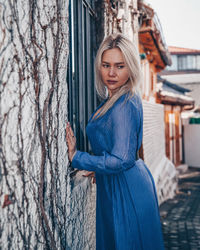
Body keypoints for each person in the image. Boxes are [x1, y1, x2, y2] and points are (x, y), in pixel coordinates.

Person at [66, 33, 165, 250]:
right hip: (121, 182)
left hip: (125, 187)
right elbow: (120, 151)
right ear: (98, 66)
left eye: (120, 66)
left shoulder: (124, 103)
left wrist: (77, 157)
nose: (111, 73)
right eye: (106, 65)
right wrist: (98, 167)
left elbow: (120, 158)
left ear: (130, 68)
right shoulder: (119, 99)